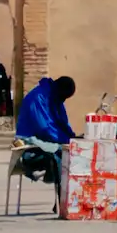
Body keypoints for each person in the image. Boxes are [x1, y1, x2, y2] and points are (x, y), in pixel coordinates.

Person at [15, 74, 77, 213]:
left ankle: (68, 199)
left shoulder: (55, 99)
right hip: (30, 143)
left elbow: (62, 124)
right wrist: (67, 140)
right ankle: (62, 200)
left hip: (47, 140)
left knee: (75, 154)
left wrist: (74, 138)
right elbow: (44, 128)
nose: (64, 100)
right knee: (61, 156)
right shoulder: (38, 98)